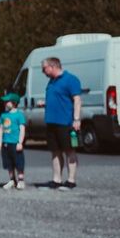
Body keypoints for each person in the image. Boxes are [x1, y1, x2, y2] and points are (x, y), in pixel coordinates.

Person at [41, 56, 83, 188]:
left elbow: (77, 100)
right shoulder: (51, 82)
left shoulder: (71, 80)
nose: (43, 72)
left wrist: (76, 119)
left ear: (53, 66)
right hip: (51, 122)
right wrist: (45, 104)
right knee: (55, 151)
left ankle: (71, 180)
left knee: (69, 150)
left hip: (65, 122)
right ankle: (56, 179)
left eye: (44, 69)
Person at [0, 91, 27, 190]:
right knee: (8, 162)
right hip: (6, 143)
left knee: (18, 162)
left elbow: (22, 129)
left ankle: (21, 180)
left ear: (14, 103)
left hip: (15, 143)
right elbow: (1, 129)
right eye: (4, 102)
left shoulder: (19, 115)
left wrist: (20, 142)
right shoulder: (3, 115)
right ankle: (12, 180)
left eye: (7, 102)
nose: (5, 103)